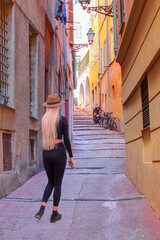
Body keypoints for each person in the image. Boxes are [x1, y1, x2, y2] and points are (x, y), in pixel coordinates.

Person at [34, 93, 76, 223]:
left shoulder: (44, 120)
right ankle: (54, 214)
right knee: (57, 184)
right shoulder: (62, 119)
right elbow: (67, 140)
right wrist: (72, 157)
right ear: (58, 106)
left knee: (50, 182)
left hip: (47, 152)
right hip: (59, 152)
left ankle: (41, 209)